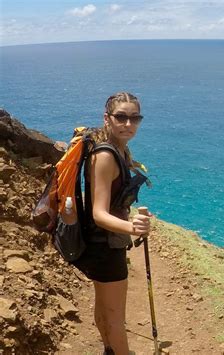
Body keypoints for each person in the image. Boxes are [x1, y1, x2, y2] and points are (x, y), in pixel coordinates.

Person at [72, 92, 152, 355]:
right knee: (116, 318)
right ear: (107, 118)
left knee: (105, 308)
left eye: (134, 118)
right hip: (105, 247)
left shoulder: (116, 148)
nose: (128, 124)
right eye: (121, 117)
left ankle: (109, 349)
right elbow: (99, 213)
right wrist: (133, 227)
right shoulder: (106, 156)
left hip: (97, 243)